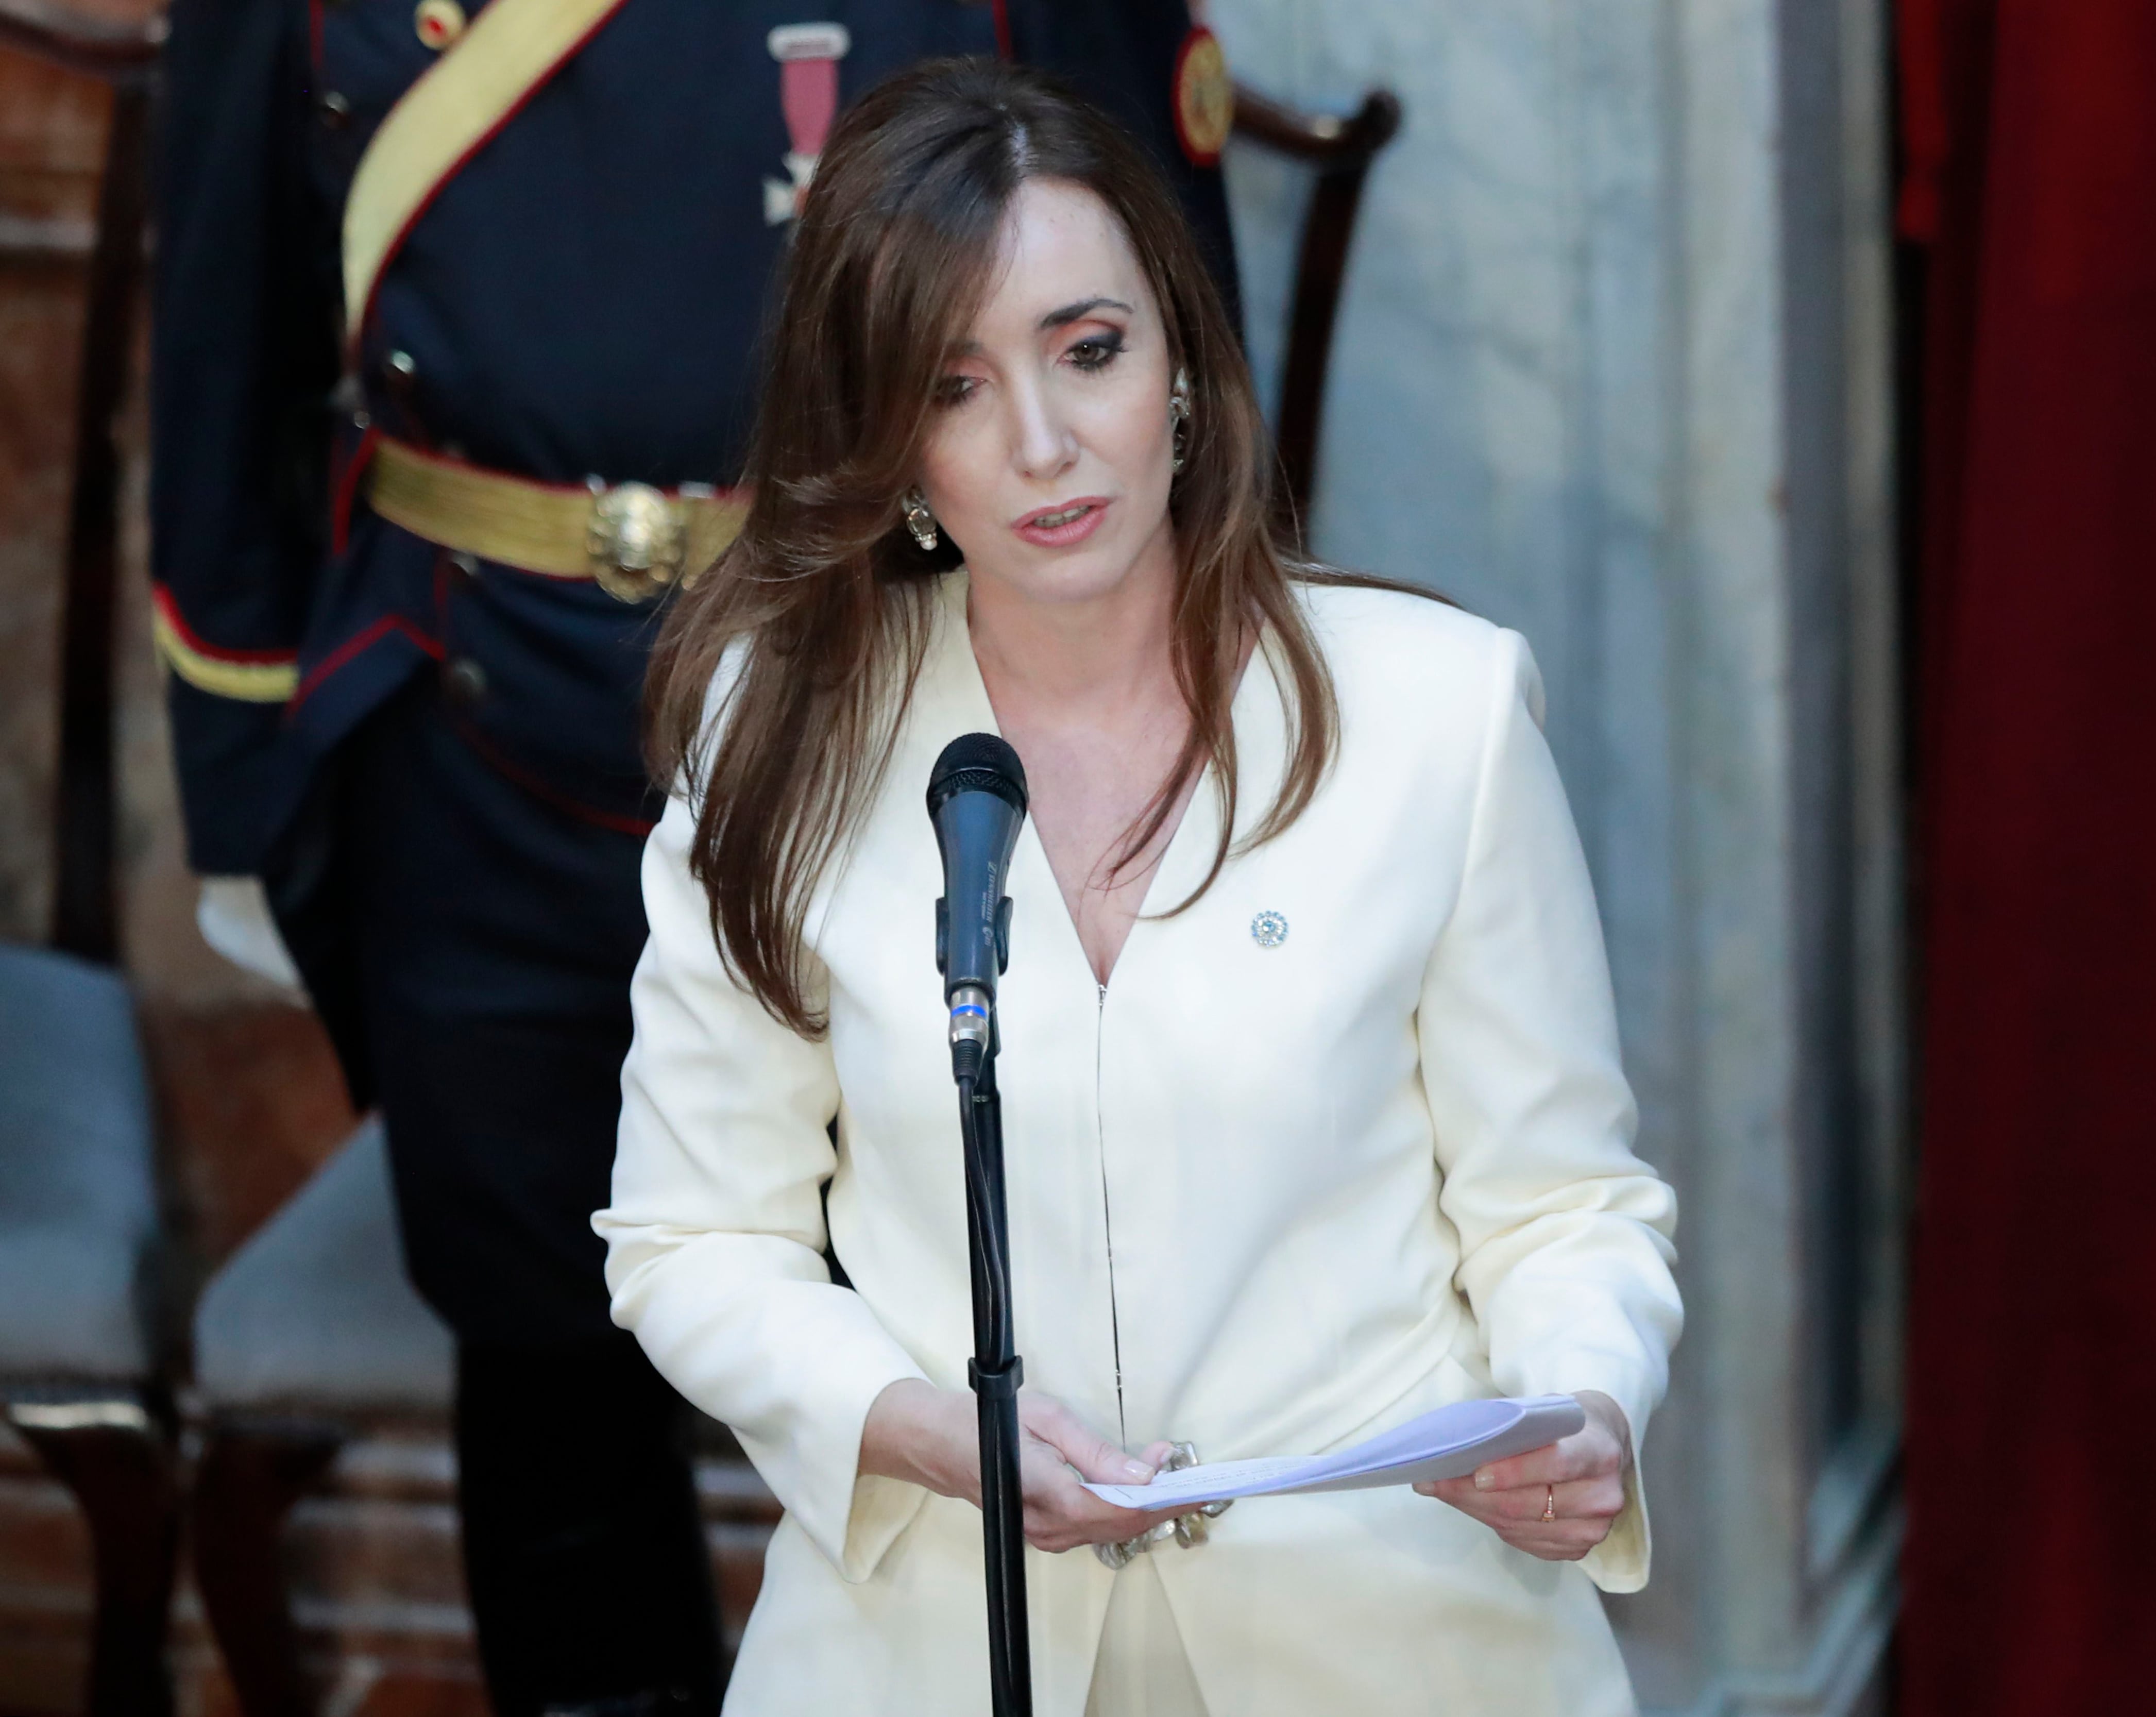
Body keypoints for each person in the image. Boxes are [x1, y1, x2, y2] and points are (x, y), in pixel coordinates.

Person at [149, 4, 1237, 1711]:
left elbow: (1165, 339)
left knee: (1021, 1353)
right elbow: (229, 324)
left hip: (919, 729)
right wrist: (238, 763)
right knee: (547, 1374)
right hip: (476, 741)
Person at [598, 60, 1683, 1715]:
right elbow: (690, 1239)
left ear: (1178, 364)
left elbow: (1560, 1207)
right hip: (938, 1651)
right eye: (956, 387)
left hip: (1399, 1642)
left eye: (1088, 351)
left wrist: (1584, 1404)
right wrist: (916, 1426)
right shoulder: (779, 739)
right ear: (892, 441)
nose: (1044, 444)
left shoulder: (1440, 715)